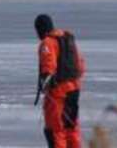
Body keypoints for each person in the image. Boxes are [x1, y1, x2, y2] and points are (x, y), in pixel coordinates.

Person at [34, 14, 85, 148]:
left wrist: (45, 85)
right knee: (71, 128)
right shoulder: (67, 39)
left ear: (40, 29)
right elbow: (80, 65)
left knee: (56, 131)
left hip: (58, 95)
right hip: (74, 91)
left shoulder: (48, 43)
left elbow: (48, 68)